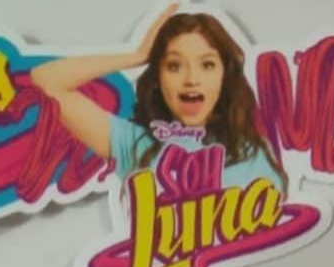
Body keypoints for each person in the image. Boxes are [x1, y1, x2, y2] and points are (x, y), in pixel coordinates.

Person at [30, 5, 286, 194]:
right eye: (174, 65)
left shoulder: (251, 153)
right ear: (157, 78)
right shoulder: (135, 143)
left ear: (224, 75)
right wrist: (136, 55)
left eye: (207, 65)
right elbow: (46, 82)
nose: (191, 79)